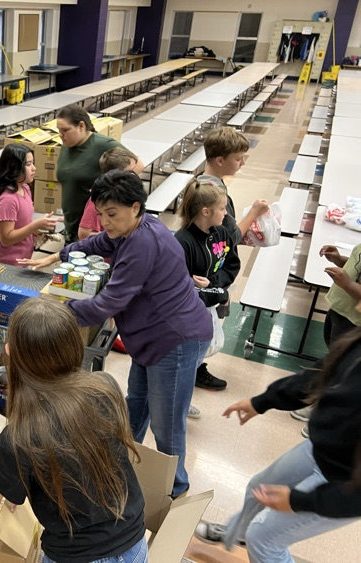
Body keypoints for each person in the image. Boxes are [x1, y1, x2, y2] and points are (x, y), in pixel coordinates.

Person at [21, 170, 212, 497]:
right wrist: (62, 254)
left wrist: (55, 314)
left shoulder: (142, 243)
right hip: (151, 339)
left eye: (112, 214)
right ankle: (119, 469)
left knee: (167, 426)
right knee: (134, 408)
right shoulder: (137, 226)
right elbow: (100, 241)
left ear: (135, 206)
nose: (105, 221)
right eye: (101, 213)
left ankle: (174, 493)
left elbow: (108, 303)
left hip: (175, 340)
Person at [0, 296, 148, 563]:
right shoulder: (105, 386)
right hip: (134, 542)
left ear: (10, 352)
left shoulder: (19, 436)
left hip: (76, 556)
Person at [196, 319, 361, 562]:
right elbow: (317, 376)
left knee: (264, 538)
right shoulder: (355, 341)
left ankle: (254, 541)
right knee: (257, 489)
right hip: (321, 450)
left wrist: (298, 501)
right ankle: (237, 536)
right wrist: (261, 402)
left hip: (345, 482)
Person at [194, 126, 269, 391]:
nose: (243, 162)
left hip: (213, 262)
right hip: (210, 268)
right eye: (239, 158)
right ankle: (195, 368)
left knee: (207, 317)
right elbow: (233, 234)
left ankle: (196, 365)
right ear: (220, 160)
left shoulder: (204, 182)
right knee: (205, 321)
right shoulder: (212, 191)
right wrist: (256, 213)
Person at [175, 179, 240, 419]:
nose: (226, 213)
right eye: (222, 208)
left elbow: (231, 264)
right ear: (206, 211)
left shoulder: (221, 233)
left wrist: (214, 285)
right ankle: (178, 402)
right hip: (189, 316)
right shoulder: (182, 243)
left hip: (210, 306)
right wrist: (219, 293)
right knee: (186, 362)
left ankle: (183, 393)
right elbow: (185, 292)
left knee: (198, 357)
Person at [292, 242, 361, 428]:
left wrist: (346, 283)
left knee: (338, 365)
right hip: (340, 309)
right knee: (332, 357)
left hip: (353, 321)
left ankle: (321, 410)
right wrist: (340, 260)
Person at [56, 105, 123, 242]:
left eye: (65, 130)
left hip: (91, 230)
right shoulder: (65, 146)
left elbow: (136, 165)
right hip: (71, 228)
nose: (60, 135)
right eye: (59, 130)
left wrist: (107, 190)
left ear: (81, 126)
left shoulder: (102, 144)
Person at [0, 143, 57, 266]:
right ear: (15, 168)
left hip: (23, 259)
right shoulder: (8, 200)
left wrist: (37, 232)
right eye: (28, 164)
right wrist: (35, 225)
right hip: (8, 264)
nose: (34, 168)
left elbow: (21, 223)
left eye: (33, 163)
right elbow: (6, 239)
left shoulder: (25, 188)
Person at [78, 146, 144, 240]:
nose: (135, 176)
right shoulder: (98, 201)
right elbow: (83, 233)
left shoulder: (126, 195)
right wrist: (117, 237)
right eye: (131, 172)